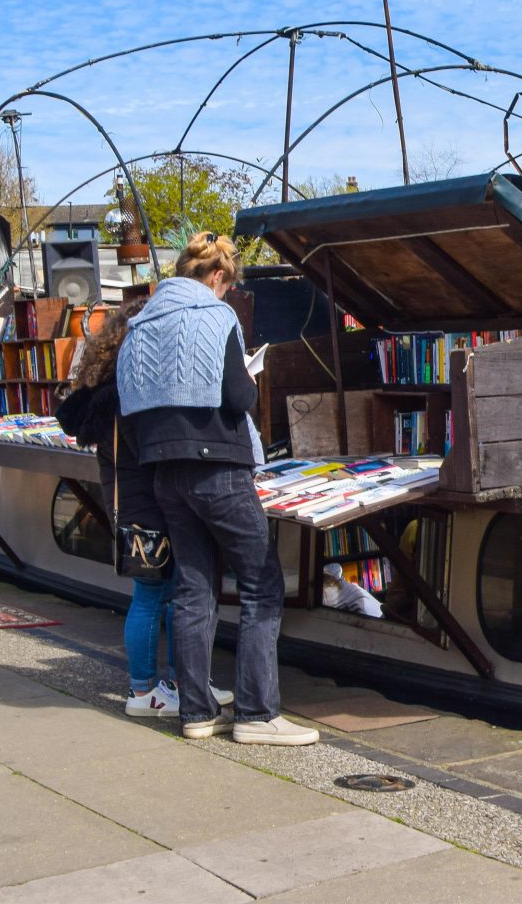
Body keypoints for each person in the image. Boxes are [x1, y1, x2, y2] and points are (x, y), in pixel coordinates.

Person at [118, 232, 316, 747]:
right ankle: (256, 714)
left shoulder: (138, 325)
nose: (225, 296)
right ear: (216, 278)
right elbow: (236, 395)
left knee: (193, 586)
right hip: (218, 467)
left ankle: (198, 713)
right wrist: (252, 380)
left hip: (164, 470)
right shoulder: (215, 316)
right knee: (261, 583)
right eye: (226, 287)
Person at [56, 296, 230, 720]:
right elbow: (149, 451)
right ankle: (144, 691)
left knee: (161, 593)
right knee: (155, 595)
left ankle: (173, 683)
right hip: (148, 504)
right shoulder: (128, 393)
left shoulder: (104, 393)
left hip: (133, 502)